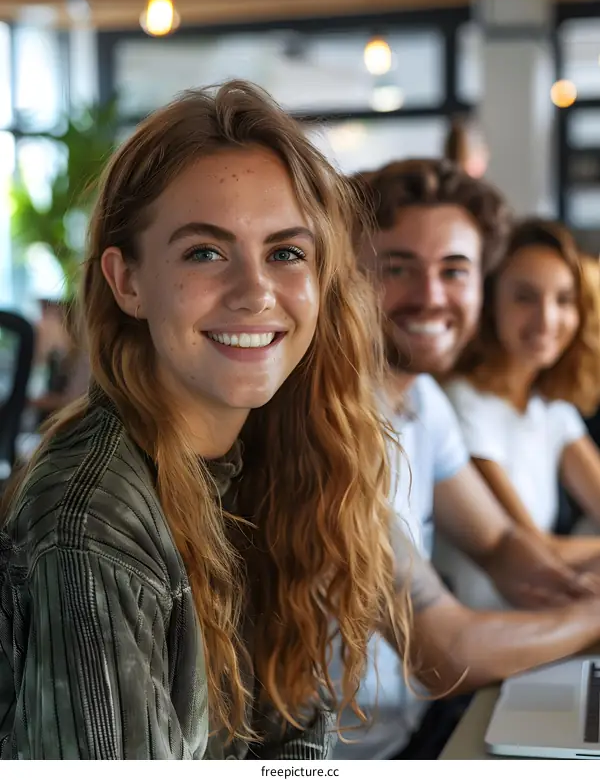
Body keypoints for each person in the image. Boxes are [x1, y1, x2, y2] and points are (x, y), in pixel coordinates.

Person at [0, 81, 410, 760]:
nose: (255, 292)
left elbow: (294, 749)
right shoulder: (92, 523)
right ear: (126, 281)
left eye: (286, 252)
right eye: (205, 252)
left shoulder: (278, 462)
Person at [334, 159, 600, 760]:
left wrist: (572, 592)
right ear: (345, 276)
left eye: (454, 271)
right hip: (337, 759)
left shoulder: (422, 400)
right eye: (396, 268)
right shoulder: (325, 425)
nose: (430, 296)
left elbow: (500, 543)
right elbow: (441, 653)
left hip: (413, 728)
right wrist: (591, 617)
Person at [442, 219, 600, 609]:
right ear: (490, 303)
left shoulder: (550, 406)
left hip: (537, 623)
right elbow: (531, 548)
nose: (547, 320)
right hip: (486, 635)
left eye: (564, 300)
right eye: (525, 297)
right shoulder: (463, 401)